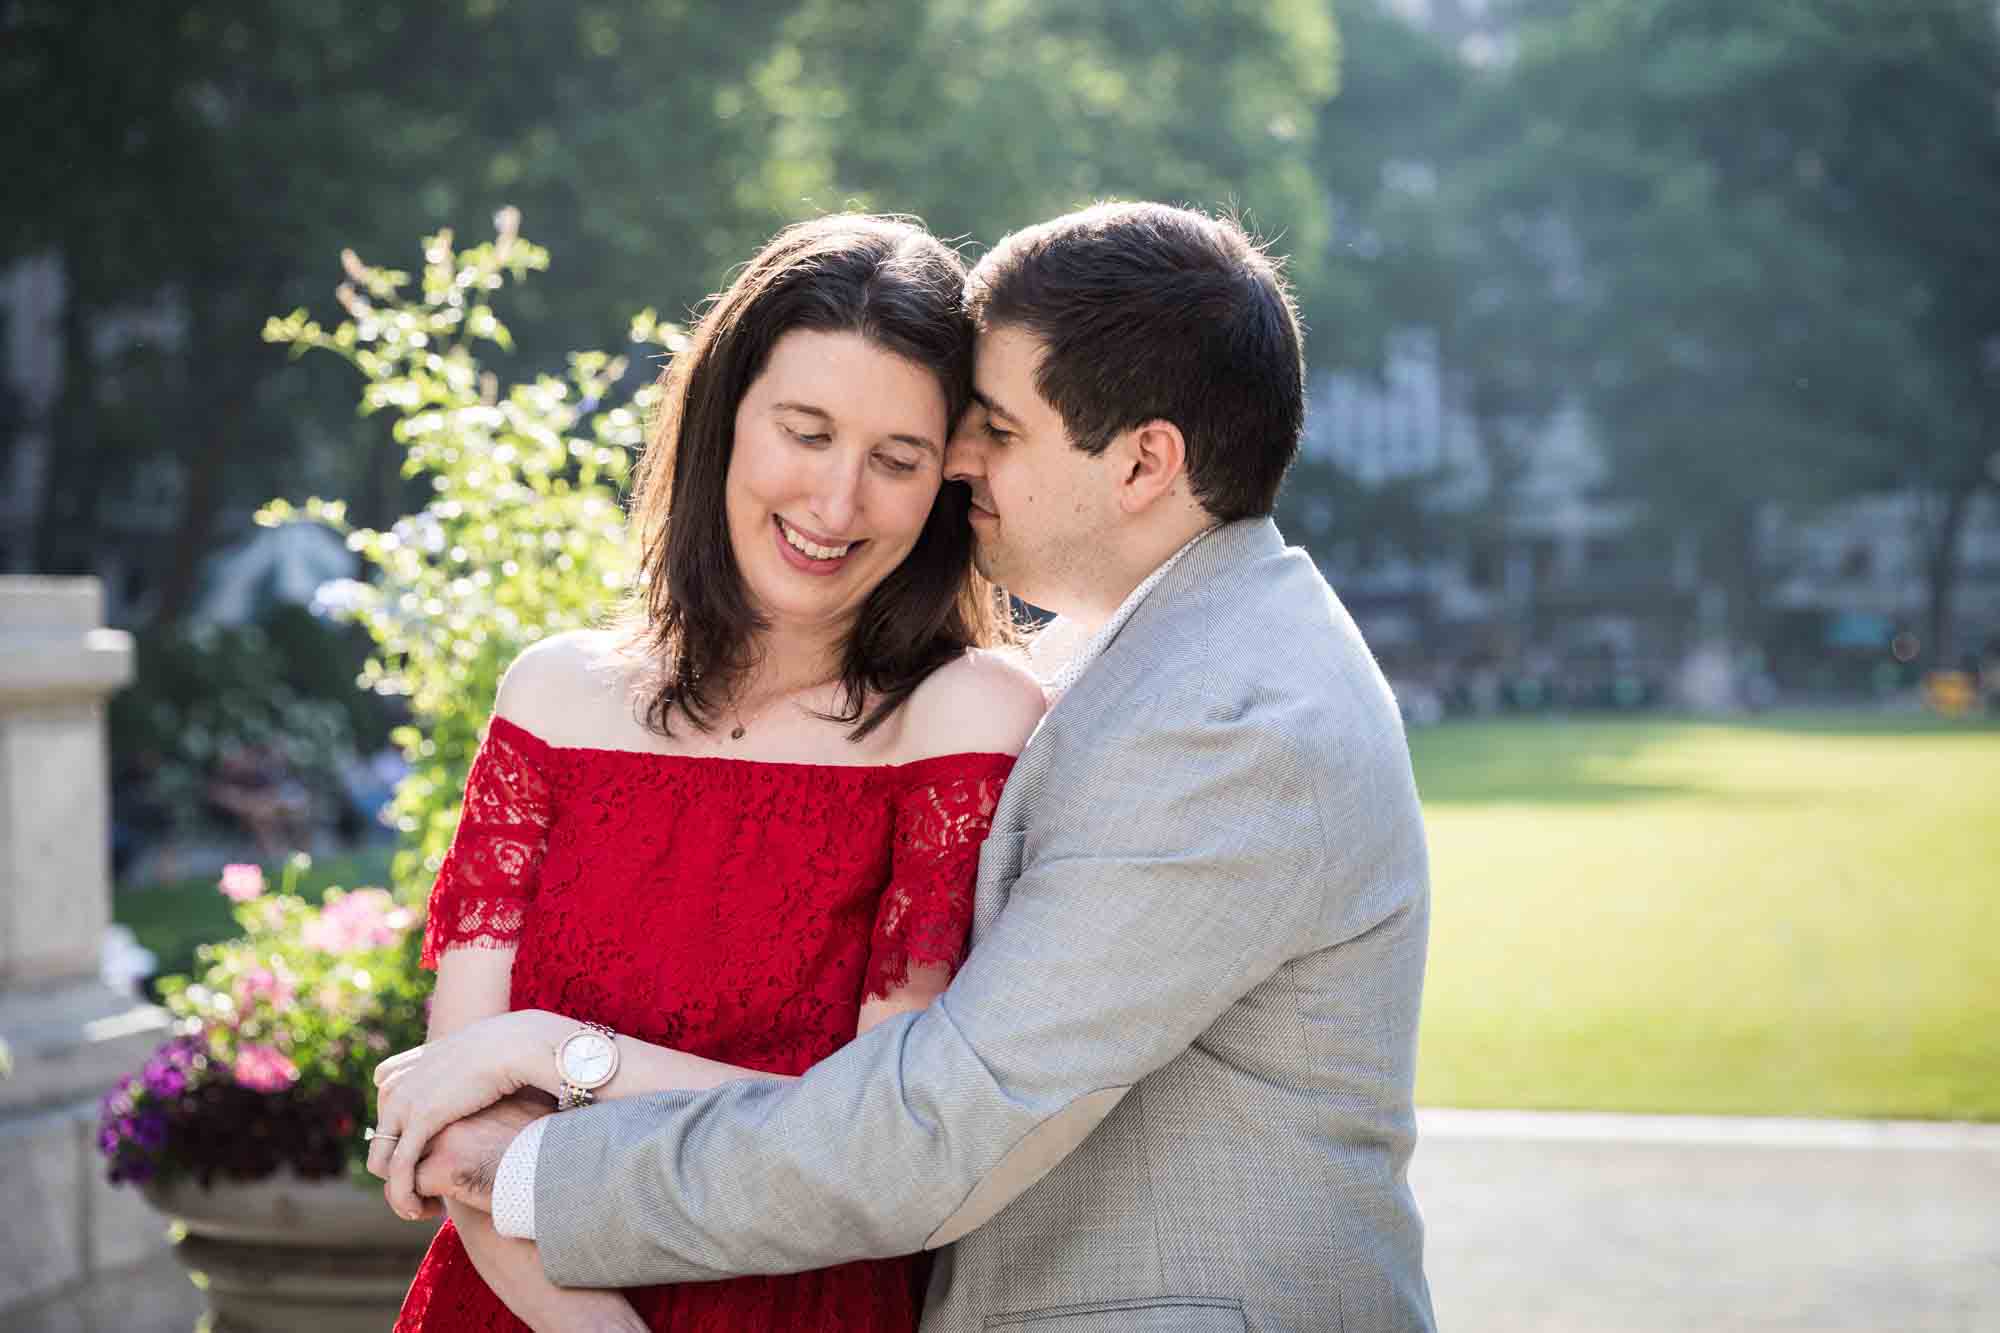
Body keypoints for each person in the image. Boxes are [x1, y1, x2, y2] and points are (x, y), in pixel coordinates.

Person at [390, 202, 1437, 1332]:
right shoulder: (1144, 656)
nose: (958, 462)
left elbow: (929, 1126)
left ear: (1143, 461)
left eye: (993, 428)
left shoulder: (1232, 718)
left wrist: (539, 1116)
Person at [371, 213, 1046, 1332]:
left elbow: (874, 1134)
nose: (836, 505)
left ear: (947, 483)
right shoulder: (551, 696)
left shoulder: (960, 718)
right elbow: (456, 1131)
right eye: (805, 431)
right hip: (516, 1304)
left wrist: (551, 1053)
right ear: (724, 416)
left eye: (895, 460)